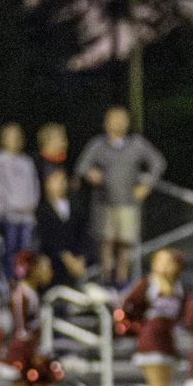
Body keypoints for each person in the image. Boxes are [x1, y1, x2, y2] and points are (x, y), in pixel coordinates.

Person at [74, 106, 165, 285]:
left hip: (128, 203)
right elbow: (81, 166)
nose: (119, 123)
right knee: (105, 243)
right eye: (114, 119)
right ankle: (105, 279)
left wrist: (146, 186)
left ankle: (122, 280)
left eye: (122, 119)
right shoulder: (98, 144)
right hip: (104, 202)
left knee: (124, 244)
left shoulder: (137, 144)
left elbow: (158, 162)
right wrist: (91, 173)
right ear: (106, 122)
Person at [119, 248, 185, 386]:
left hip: (167, 340)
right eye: (160, 261)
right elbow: (126, 305)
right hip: (152, 340)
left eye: (169, 261)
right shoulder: (149, 283)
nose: (164, 266)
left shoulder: (178, 285)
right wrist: (138, 328)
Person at [5, 251, 56, 386]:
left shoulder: (31, 293)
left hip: (27, 349)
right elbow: (22, 330)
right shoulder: (22, 294)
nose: (49, 272)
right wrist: (32, 354)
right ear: (33, 269)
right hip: (21, 351)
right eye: (45, 267)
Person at [0, 124, 40, 284]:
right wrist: (6, 207)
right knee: (9, 248)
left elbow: (34, 185)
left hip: (26, 216)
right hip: (9, 215)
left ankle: (23, 279)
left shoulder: (27, 161)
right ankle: (9, 280)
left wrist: (32, 203)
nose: (16, 140)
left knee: (25, 250)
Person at [34, 167, 92, 291]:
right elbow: (47, 238)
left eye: (62, 180)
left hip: (76, 263)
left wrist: (81, 258)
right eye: (55, 180)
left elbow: (83, 234)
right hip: (54, 263)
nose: (60, 184)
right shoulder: (42, 211)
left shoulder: (76, 208)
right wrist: (66, 257)